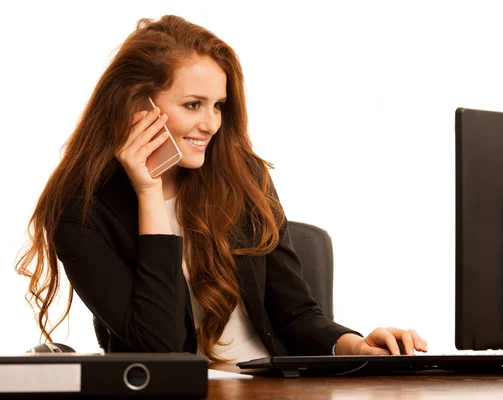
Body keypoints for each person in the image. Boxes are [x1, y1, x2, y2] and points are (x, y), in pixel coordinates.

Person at [15, 15, 427, 363]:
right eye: (193, 105)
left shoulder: (242, 177)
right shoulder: (82, 212)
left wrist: (354, 345)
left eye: (218, 106)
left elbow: (296, 316)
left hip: (270, 388)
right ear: (137, 106)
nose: (211, 124)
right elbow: (159, 348)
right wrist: (148, 193)